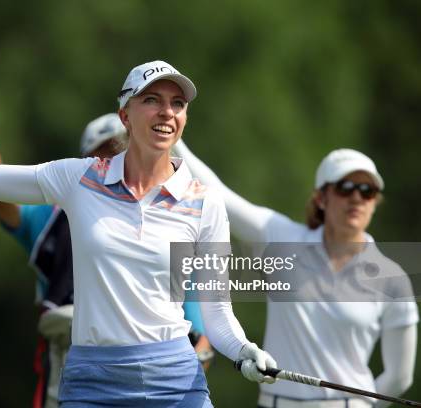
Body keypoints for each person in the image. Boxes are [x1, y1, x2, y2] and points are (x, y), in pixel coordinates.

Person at [0, 60, 277, 407]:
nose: (167, 112)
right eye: (153, 100)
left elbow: (218, 314)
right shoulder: (79, 179)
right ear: (125, 114)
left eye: (177, 103)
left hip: (175, 380)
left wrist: (243, 351)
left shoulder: (203, 202)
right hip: (93, 382)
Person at [0, 68, 215, 407]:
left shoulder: (174, 219)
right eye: (102, 154)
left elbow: (202, 334)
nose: (114, 161)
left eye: (118, 150)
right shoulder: (53, 214)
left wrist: (193, 356)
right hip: (70, 372)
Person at [173, 140, 419, 408]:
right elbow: (216, 192)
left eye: (367, 190)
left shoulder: (393, 279)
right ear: (321, 198)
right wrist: (172, 142)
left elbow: (399, 377)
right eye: (345, 188)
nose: (357, 198)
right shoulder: (282, 238)